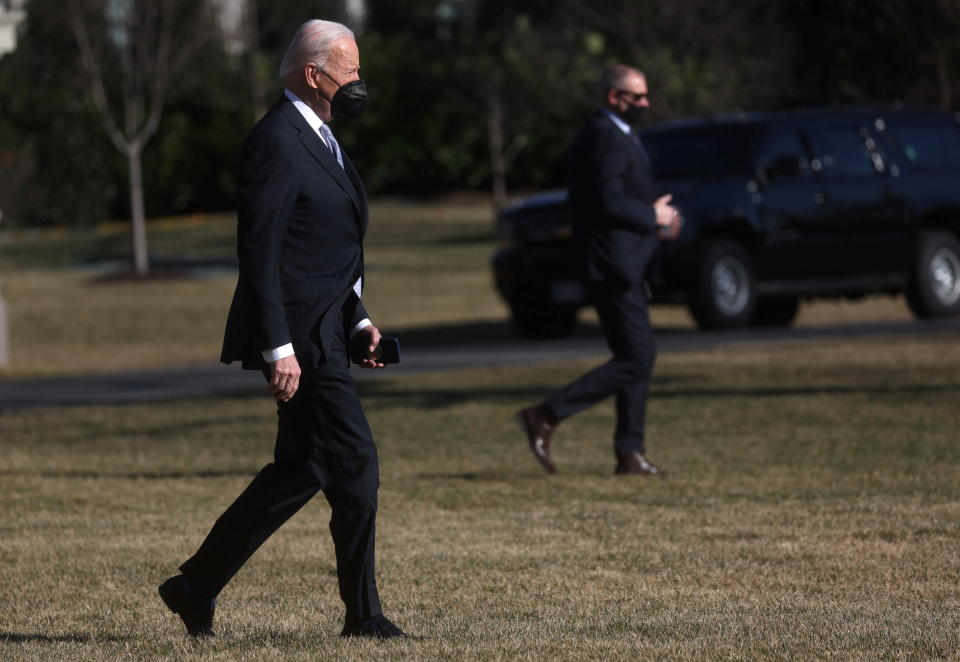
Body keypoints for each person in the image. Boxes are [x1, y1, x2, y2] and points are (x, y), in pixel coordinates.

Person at [158, 19, 406, 639]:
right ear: (311, 73)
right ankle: (364, 616)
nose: (356, 81)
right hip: (298, 338)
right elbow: (262, 253)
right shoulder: (276, 139)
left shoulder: (322, 138)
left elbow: (331, 248)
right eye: (348, 69)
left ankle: (195, 585)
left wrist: (361, 320)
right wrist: (278, 346)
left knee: (301, 469)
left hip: (329, 330)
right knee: (357, 465)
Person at [516, 64, 681, 476]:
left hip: (624, 262)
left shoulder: (617, 133)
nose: (646, 104)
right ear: (614, 97)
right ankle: (547, 414)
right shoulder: (605, 136)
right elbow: (607, 201)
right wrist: (652, 215)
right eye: (637, 97)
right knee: (638, 357)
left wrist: (656, 218)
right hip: (614, 265)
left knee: (634, 355)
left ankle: (629, 453)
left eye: (645, 96)